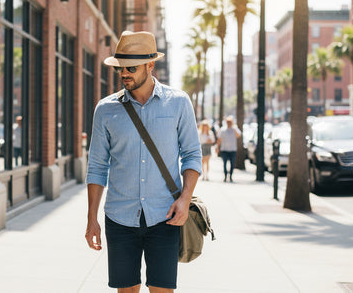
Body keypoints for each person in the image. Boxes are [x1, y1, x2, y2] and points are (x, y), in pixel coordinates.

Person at [85, 31, 202, 292]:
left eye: (131, 68)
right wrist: (92, 218)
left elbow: (193, 155)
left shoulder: (178, 103)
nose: (124, 73)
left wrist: (184, 200)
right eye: (120, 68)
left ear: (151, 65)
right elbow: (97, 167)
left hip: (165, 217)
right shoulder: (105, 110)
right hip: (119, 218)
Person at [216, 115, 241, 182]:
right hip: (224, 149)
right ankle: (225, 176)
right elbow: (219, 139)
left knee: (232, 164)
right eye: (228, 122)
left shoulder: (234, 129)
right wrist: (217, 147)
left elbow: (238, 135)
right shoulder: (222, 129)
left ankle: (231, 176)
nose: (229, 123)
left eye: (230, 122)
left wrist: (234, 128)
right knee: (224, 164)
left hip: (232, 149)